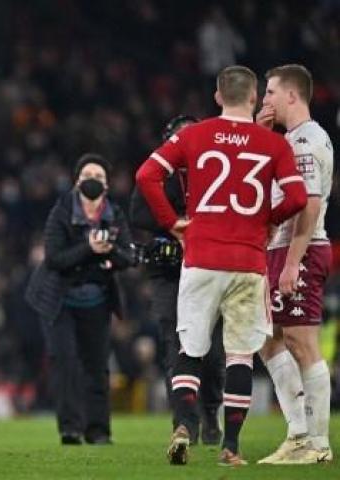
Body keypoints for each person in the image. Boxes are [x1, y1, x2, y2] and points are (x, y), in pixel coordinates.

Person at [136, 65, 308, 466]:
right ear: (253, 98)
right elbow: (298, 199)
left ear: (217, 96)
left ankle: (182, 424)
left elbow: (146, 175)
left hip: (201, 256)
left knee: (190, 348)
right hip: (247, 261)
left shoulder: (194, 135)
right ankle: (230, 447)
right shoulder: (273, 144)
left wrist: (173, 223)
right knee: (239, 356)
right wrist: (268, 219)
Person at [26, 153, 136, 446]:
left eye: (99, 177)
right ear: (76, 181)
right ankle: (70, 429)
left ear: (108, 185)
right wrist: (89, 248)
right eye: (88, 175)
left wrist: (109, 251)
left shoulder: (115, 214)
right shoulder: (61, 211)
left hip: (96, 300)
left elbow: (129, 256)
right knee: (64, 362)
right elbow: (54, 258)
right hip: (59, 300)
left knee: (97, 366)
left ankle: (98, 431)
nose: (93, 181)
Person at [255, 64, 334, 464]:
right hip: (281, 252)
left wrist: (291, 263)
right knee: (268, 340)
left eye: (269, 92)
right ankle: (298, 432)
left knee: (302, 345)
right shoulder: (289, 140)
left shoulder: (304, 142)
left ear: (291, 95)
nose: (264, 99)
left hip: (298, 251)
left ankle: (316, 444)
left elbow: (309, 205)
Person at [130, 115, 225, 446]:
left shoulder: (215, 171)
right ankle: (185, 424)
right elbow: (136, 213)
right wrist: (174, 222)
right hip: (169, 272)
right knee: (176, 344)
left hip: (209, 268)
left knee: (212, 352)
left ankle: (211, 410)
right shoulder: (159, 173)